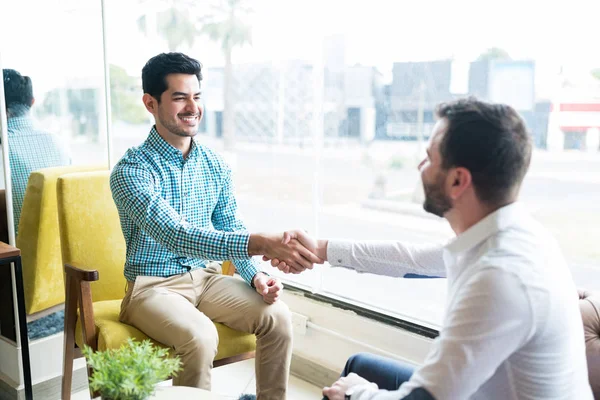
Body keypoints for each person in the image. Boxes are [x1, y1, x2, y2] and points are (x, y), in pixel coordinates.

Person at [267, 98, 593, 399]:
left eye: (429, 157)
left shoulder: (500, 277)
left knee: (348, 387)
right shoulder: (513, 235)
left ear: (457, 181)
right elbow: (412, 260)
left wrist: (358, 394)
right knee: (359, 365)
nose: (420, 165)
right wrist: (321, 249)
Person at [109, 52, 322, 400]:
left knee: (279, 317)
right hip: (152, 289)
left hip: (206, 280)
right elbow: (176, 235)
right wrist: (262, 243)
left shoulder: (214, 164)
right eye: (179, 97)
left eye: (197, 96)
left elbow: (229, 224)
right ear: (151, 103)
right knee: (200, 336)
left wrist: (254, 275)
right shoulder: (131, 171)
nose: (192, 107)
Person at [2, 69, 70, 235]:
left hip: (13, 255)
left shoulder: (4, 147)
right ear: (32, 102)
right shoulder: (58, 143)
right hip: (58, 252)